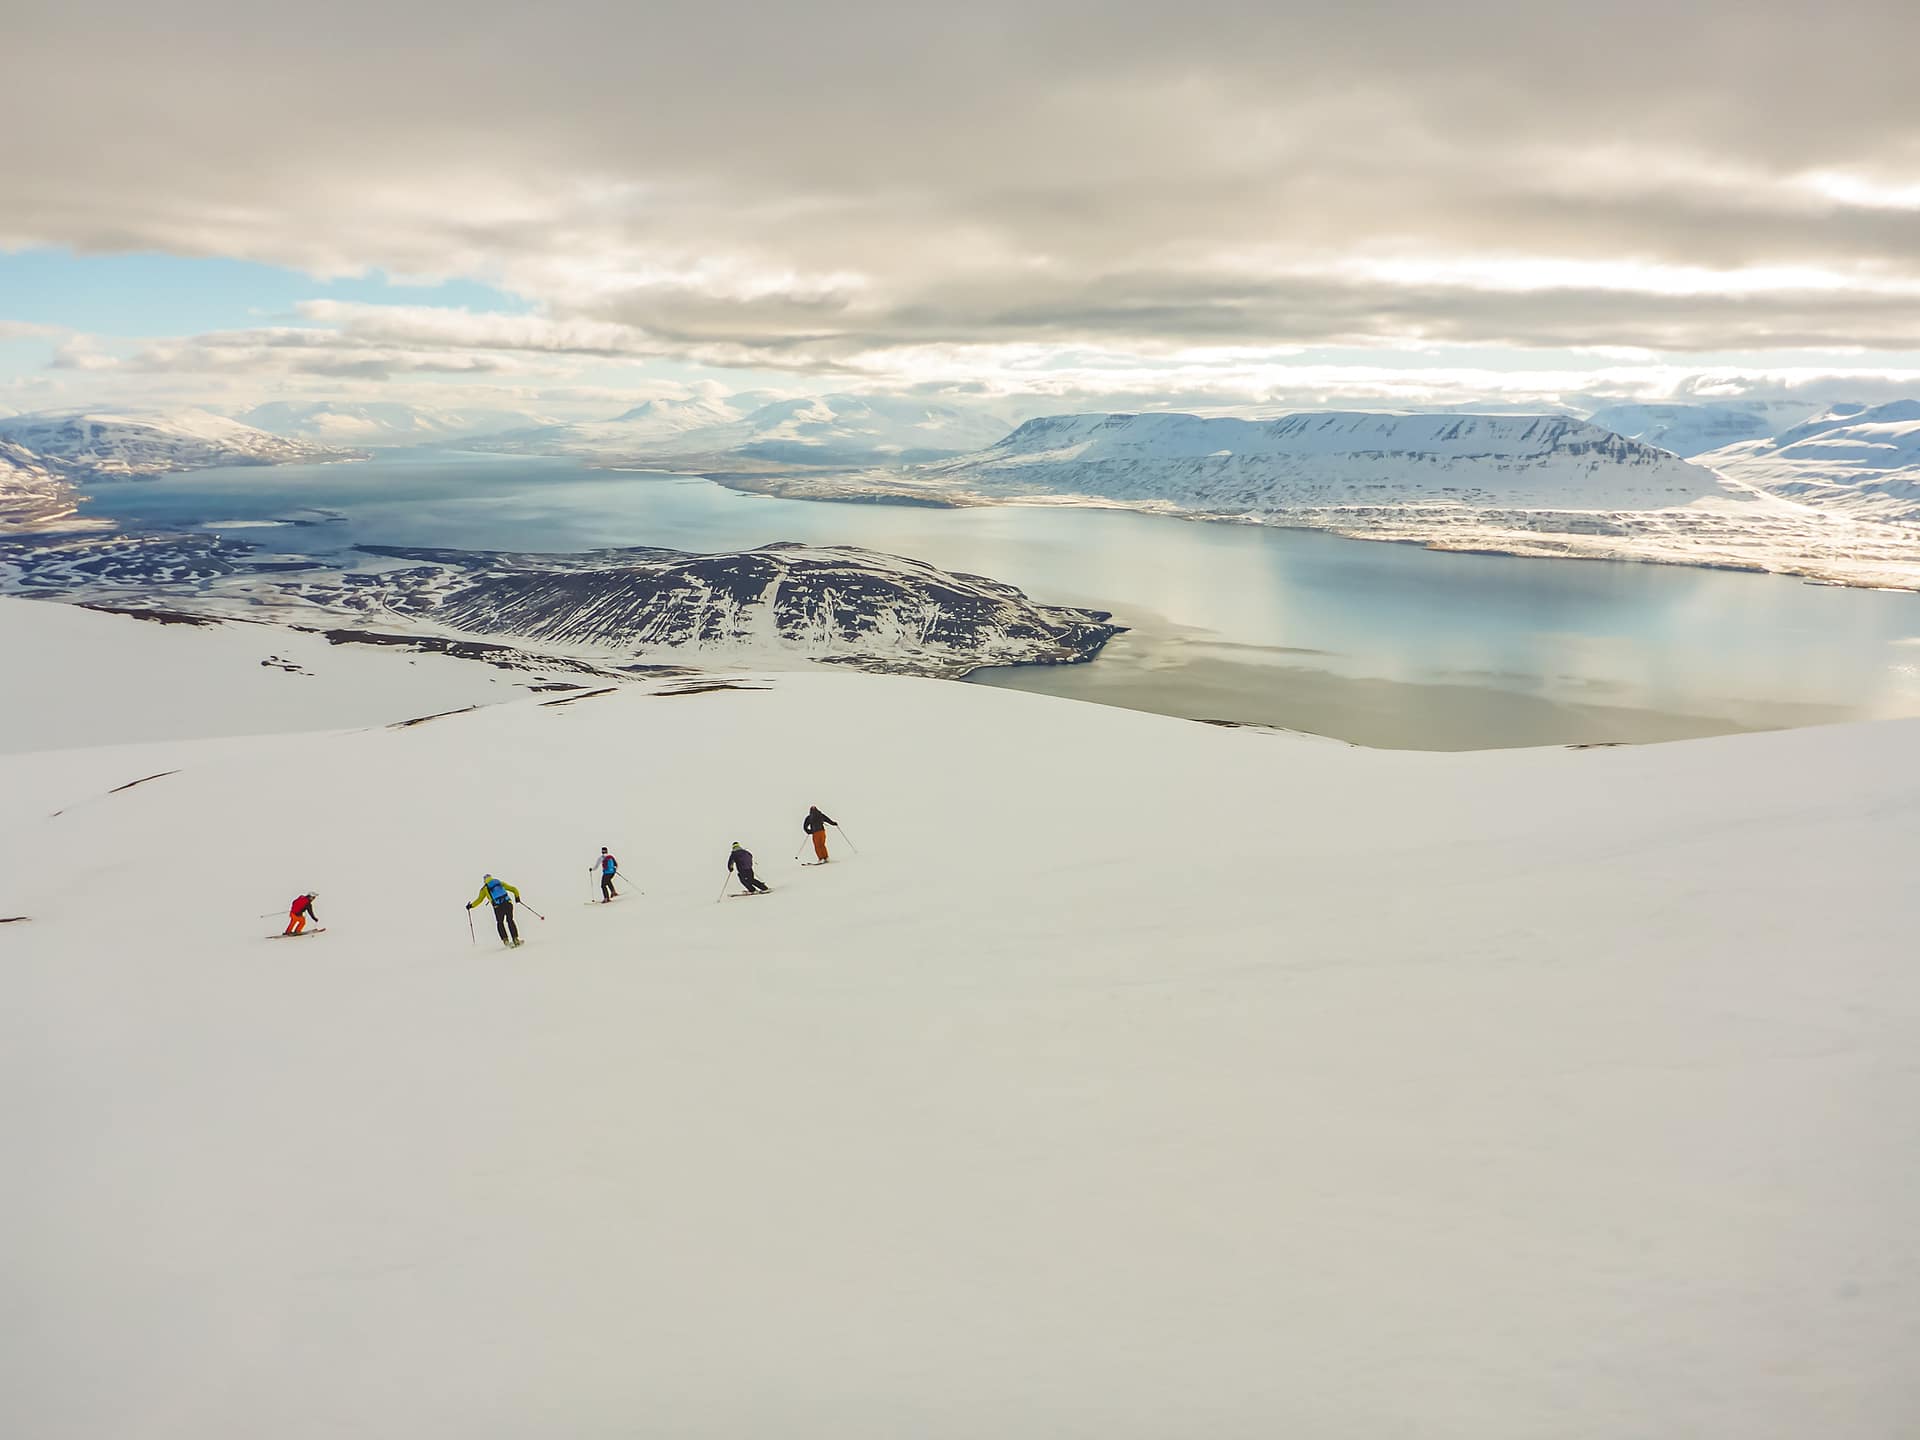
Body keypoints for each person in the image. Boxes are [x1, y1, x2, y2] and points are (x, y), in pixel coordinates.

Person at [466, 873, 524, 946]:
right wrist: (517, 897)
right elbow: (514, 889)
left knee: (500, 922)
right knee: (510, 920)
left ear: (484, 881)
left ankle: (505, 940)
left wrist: (470, 906)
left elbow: (479, 900)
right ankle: (515, 939)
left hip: (498, 907)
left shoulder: (484, 889)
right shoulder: (499, 883)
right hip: (508, 904)